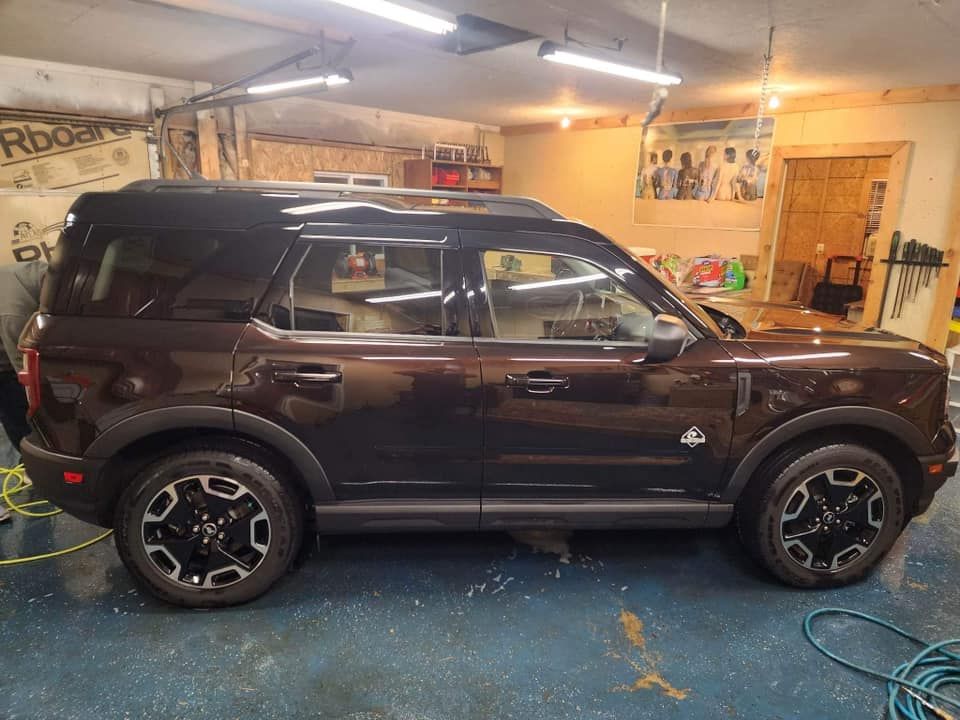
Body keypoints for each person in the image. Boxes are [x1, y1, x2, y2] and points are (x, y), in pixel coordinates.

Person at [0, 260, 46, 522]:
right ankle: (31, 465)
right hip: (5, 365)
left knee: (19, 413)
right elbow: (23, 369)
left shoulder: (40, 271)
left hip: (7, 355)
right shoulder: (12, 313)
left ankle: (30, 461)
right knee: (17, 413)